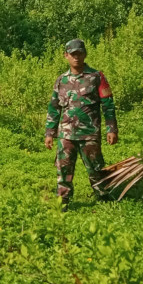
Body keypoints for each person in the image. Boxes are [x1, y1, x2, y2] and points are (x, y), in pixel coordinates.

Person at [44, 39, 118, 209]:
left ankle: (105, 201)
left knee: (96, 170)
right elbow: (54, 108)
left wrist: (111, 128)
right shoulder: (61, 80)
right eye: (73, 54)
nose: (76, 57)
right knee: (63, 172)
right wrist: (49, 133)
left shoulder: (96, 77)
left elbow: (108, 104)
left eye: (80, 54)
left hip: (89, 134)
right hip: (66, 136)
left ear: (85, 54)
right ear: (66, 56)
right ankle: (62, 203)